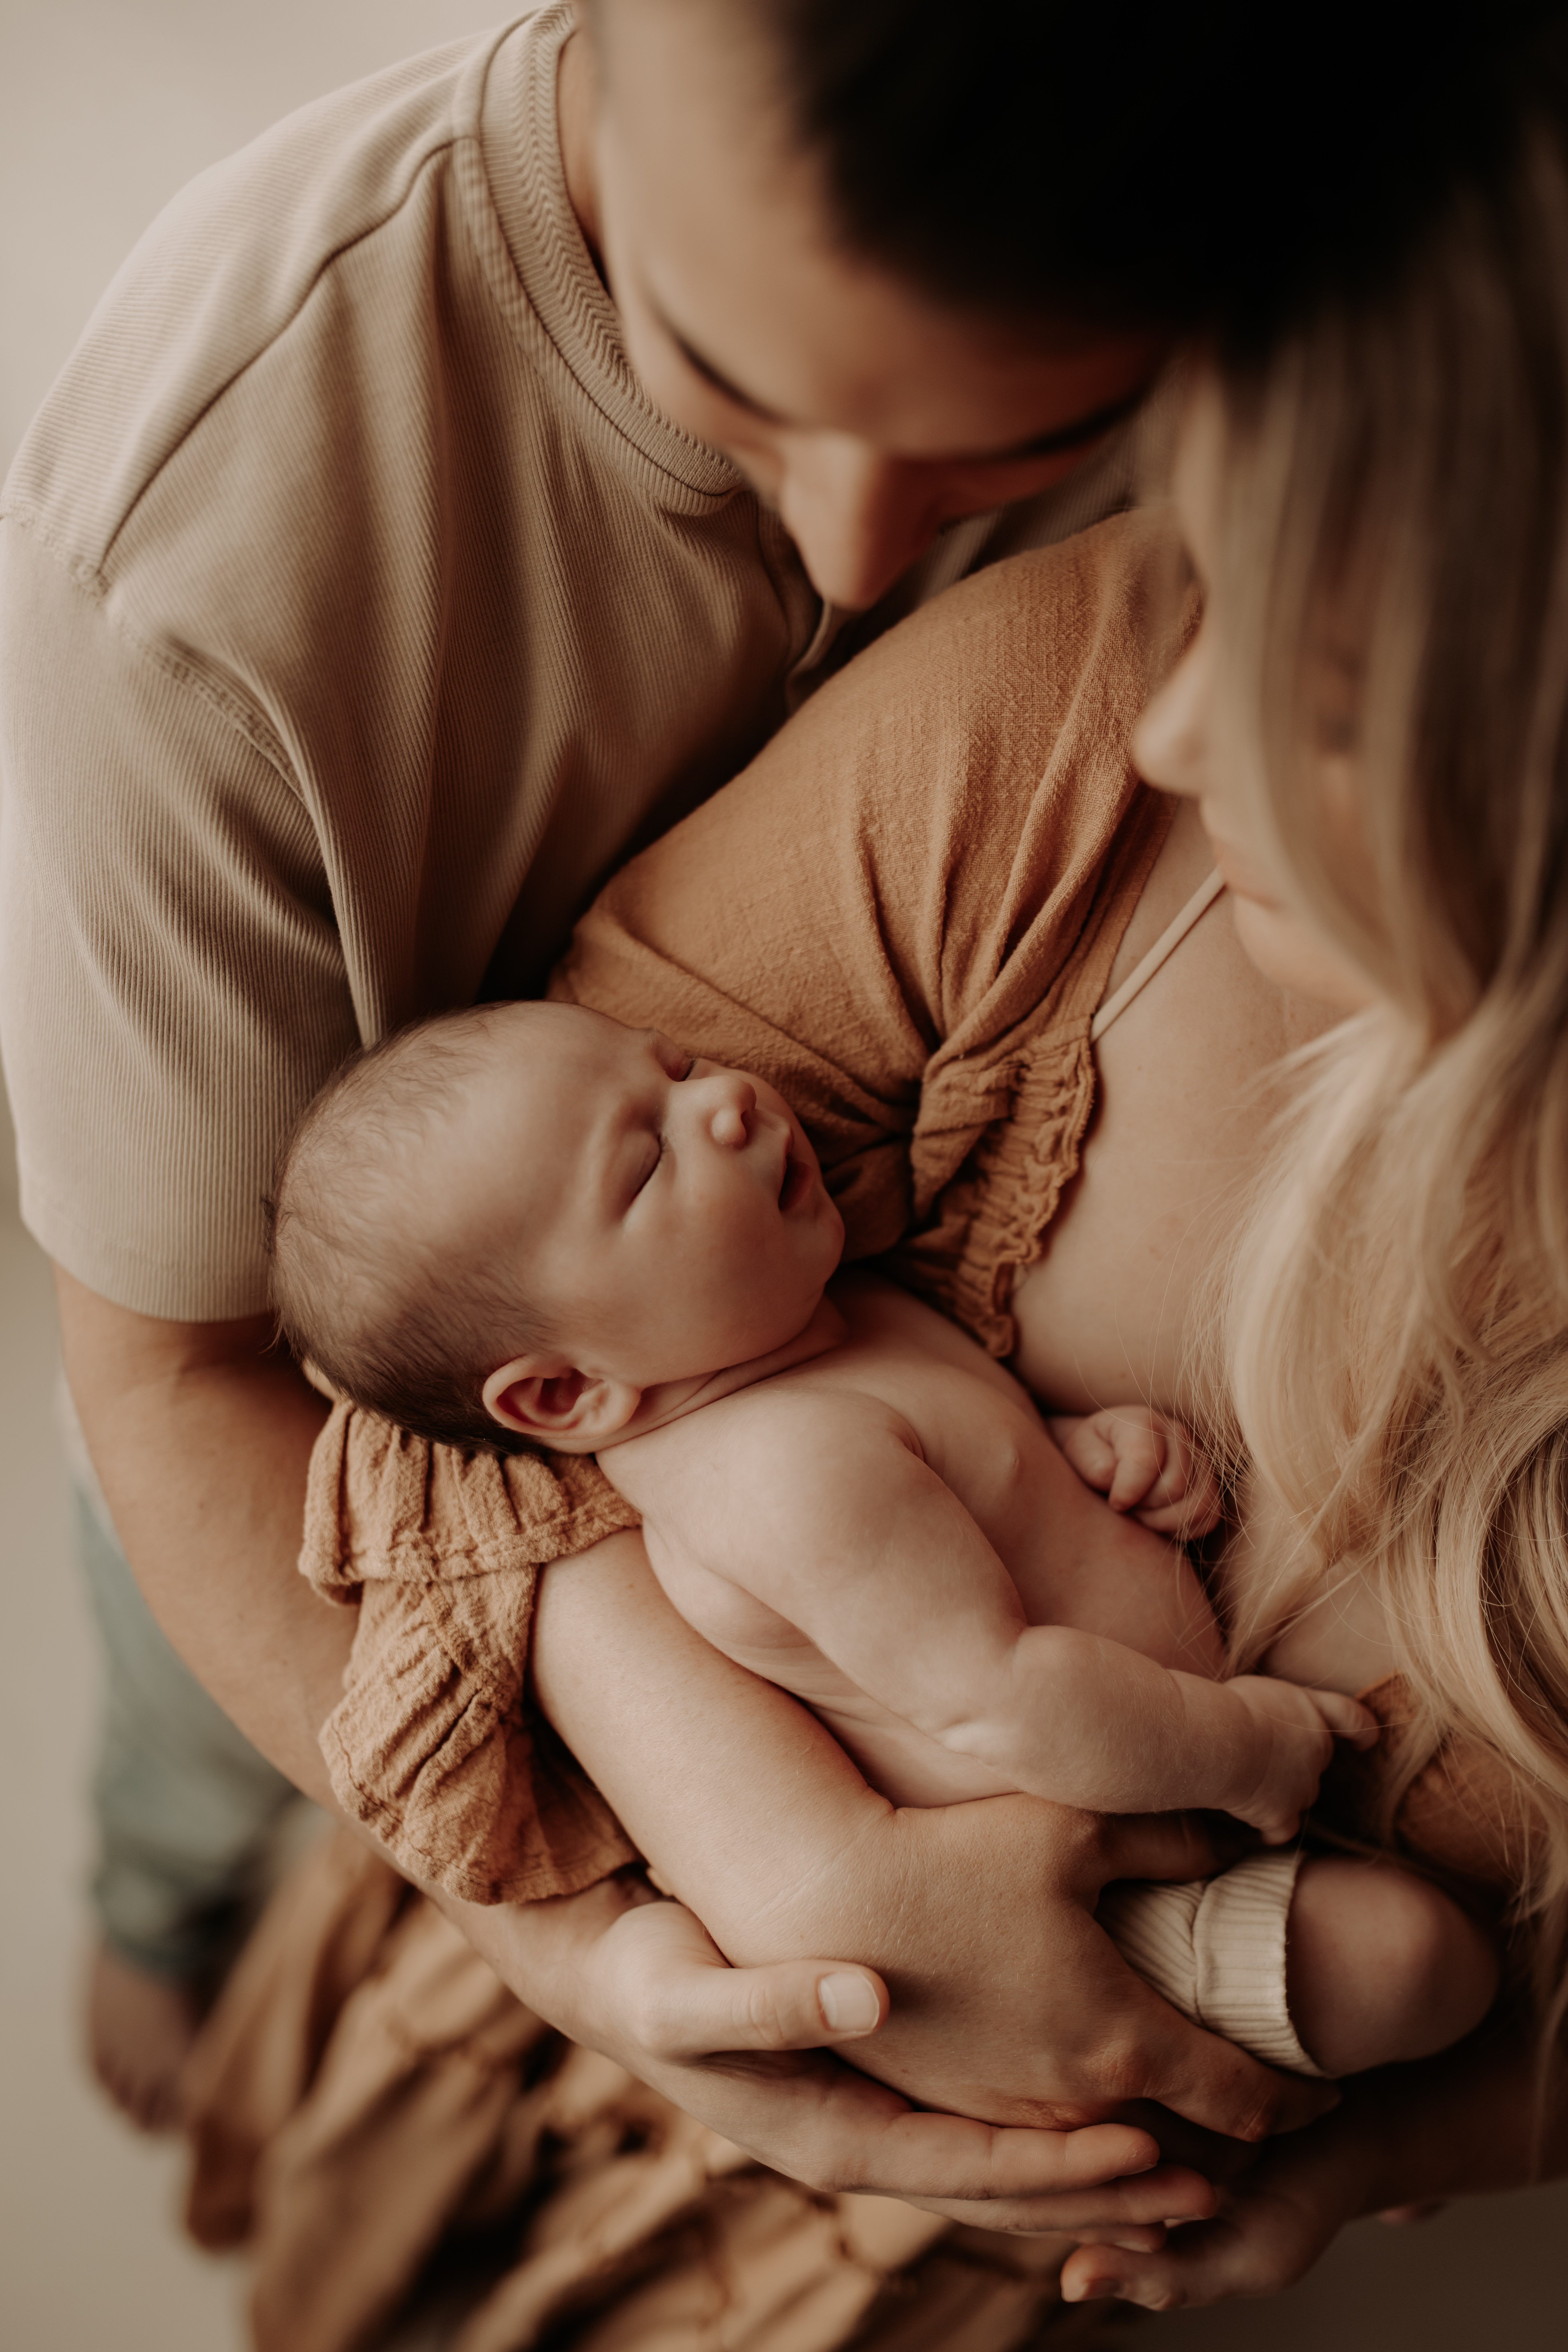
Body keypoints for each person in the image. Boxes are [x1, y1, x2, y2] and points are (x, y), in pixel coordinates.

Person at [1, 0, 1498, 2150]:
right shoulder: (180, 571)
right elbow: (177, 1375)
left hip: (703, 1312)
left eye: (1010, 435)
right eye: (736, 378)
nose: (858, 558)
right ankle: (150, 1910)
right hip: (312, 1334)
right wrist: (592, 1942)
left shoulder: (1315, 263)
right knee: (187, 1741)